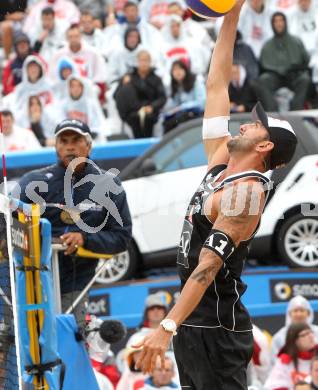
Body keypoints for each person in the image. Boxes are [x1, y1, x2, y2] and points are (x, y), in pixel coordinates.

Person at [133, 2, 298, 389]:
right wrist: (231, 15)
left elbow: (206, 268)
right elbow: (216, 85)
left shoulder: (247, 194)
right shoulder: (221, 163)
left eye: (257, 126)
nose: (246, 124)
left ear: (264, 149)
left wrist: (166, 325)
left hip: (217, 331)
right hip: (193, 325)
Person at [17, 119, 132, 328]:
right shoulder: (33, 182)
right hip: (33, 283)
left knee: (71, 342)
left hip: (76, 285)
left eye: (76, 140)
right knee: (32, 350)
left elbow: (122, 237)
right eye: (63, 140)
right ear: (56, 146)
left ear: (88, 145)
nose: (69, 146)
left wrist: (85, 239)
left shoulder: (108, 185)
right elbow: (8, 222)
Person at [255, 11, 311, 111]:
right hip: (275, 77)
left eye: (281, 20)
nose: (279, 23)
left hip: (293, 75)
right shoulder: (267, 45)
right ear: (272, 24)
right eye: (276, 21)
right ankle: (272, 112)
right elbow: (263, 64)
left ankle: (296, 110)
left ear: (285, 22)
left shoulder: (296, 41)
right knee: (263, 80)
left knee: (304, 79)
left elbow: (305, 60)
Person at [114, 49, 166, 138]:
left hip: (150, 112)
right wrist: (122, 83)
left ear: (150, 62)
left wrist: (152, 107)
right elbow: (117, 95)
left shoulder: (156, 79)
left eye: (146, 60)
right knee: (134, 118)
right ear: (137, 62)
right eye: (141, 60)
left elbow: (162, 98)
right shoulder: (129, 77)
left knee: (148, 119)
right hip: (132, 112)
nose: (144, 63)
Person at [50, 24, 107, 102]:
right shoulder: (58, 55)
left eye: (76, 36)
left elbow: (100, 76)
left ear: (81, 36)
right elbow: (53, 78)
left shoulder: (93, 53)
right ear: (66, 38)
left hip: (87, 89)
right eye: (71, 37)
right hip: (64, 89)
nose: (73, 39)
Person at [265, 323, 317, 389]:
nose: (311, 336)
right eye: (304, 335)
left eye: (310, 332)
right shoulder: (285, 361)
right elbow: (275, 385)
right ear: (294, 340)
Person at [271, 295, 318, 364]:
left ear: (308, 313)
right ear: (289, 314)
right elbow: (275, 363)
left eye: (302, 310)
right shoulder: (279, 337)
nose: (299, 314)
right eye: (295, 311)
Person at [163, 60, 206, 133]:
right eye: (174, 70)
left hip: (196, 114)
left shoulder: (196, 82)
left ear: (185, 70)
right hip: (182, 115)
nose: (177, 72)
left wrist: (182, 107)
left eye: (179, 69)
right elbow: (173, 105)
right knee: (166, 122)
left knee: (180, 118)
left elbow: (202, 103)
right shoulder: (175, 87)